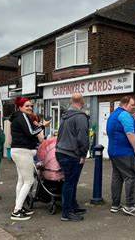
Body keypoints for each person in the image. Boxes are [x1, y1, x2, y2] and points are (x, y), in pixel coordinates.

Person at [10, 97, 49, 221]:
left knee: (21, 180)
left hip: (17, 150)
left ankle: (19, 207)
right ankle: (16, 211)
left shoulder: (18, 117)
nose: (30, 108)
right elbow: (32, 133)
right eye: (27, 106)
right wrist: (43, 126)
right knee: (29, 181)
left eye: (31, 106)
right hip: (22, 151)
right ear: (20, 107)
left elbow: (28, 132)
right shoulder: (22, 117)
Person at [106, 95, 135, 216]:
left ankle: (115, 205)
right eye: (132, 105)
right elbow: (129, 133)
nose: (134, 107)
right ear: (125, 104)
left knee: (117, 177)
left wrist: (133, 119)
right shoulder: (124, 115)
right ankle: (130, 205)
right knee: (131, 177)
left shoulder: (114, 114)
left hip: (114, 151)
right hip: (125, 152)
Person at [56, 94, 90, 222]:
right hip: (71, 154)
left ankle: (73, 206)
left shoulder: (65, 116)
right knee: (70, 182)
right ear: (82, 102)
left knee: (71, 181)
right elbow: (83, 138)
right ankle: (67, 213)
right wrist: (83, 154)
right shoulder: (80, 117)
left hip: (61, 151)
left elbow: (59, 134)